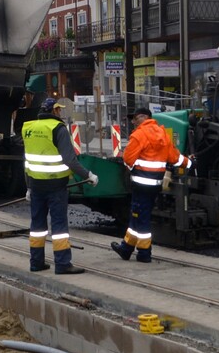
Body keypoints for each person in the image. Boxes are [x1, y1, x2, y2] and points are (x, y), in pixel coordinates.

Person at [22, 98, 97, 275]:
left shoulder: (29, 128)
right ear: (54, 111)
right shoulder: (58, 129)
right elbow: (70, 160)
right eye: (59, 110)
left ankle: (36, 262)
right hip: (56, 187)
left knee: (37, 226)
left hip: (36, 185)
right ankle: (63, 264)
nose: (60, 113)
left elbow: (26, 160)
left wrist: (28, 187)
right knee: (59, 226)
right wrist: (89, 175)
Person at [110, 107, 192, 264]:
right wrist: (190, 163)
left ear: (143, 117)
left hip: (140, 184)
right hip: (155, 185)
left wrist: (132, 169)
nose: (133, 122)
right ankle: (126, 248)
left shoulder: (140, 134)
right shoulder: (163, 134)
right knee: (138, 215)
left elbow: (127, 158)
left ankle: (144, 253)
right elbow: (174, 157)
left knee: (141, 218)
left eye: (134, 118)